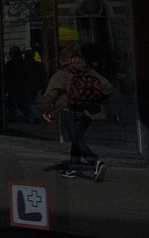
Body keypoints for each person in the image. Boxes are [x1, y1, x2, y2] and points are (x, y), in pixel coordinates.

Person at [42, 49, 113, 181]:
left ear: (63, 59)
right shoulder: (89, 71)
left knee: (77, 140)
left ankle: (96, 162)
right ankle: (73, 168)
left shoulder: (63, 73)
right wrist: (93, 99)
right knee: (77, 139)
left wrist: (47, 110)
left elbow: (49, 94)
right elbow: (108, 87)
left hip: (70, 111)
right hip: (88, 112)